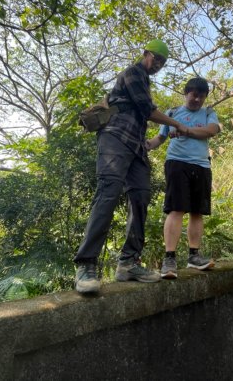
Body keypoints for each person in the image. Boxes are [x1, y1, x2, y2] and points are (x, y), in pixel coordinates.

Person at [74, 39, 189, 294]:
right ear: (145, 53)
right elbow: (148, 111)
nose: (157, 64)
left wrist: (157, 139)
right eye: (155, 58)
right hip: (115, 137)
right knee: (108, 192)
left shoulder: (145, 82)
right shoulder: (132, 73)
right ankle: (86, 264)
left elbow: (143, 116)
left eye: (162, 62)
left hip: (136, 145)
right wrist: (176, 124)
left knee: (141, 195)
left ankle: (128, 262)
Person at [146, 77, 220, 279]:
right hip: (177, 163)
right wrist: (146, 145)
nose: (197, 100)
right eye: (194, 95)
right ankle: (169, 259)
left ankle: (194, 256)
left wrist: (186, 130)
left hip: (202, 165)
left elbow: (211, 131)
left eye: (202, 96)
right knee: (176, 208)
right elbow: (159, 138)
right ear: (186, 93)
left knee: (198, 211)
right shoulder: (171, 113)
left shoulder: (208, 113)